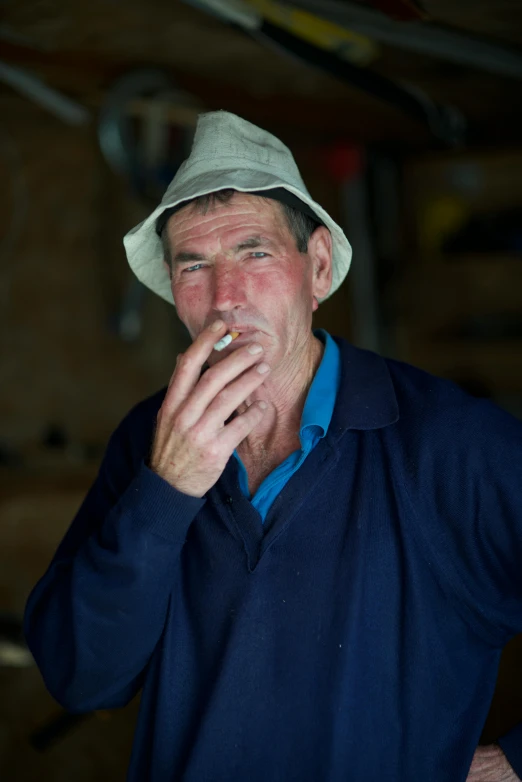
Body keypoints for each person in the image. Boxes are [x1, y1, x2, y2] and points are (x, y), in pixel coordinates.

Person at [24, 111, 522, 782]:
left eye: (254, 251)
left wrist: (516, 761)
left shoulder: (451, 443)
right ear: (174, 290)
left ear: (317, 268)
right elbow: (81, 678)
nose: (226, 297)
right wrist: (165, 493)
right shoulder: (150, 438)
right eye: (194, 263)